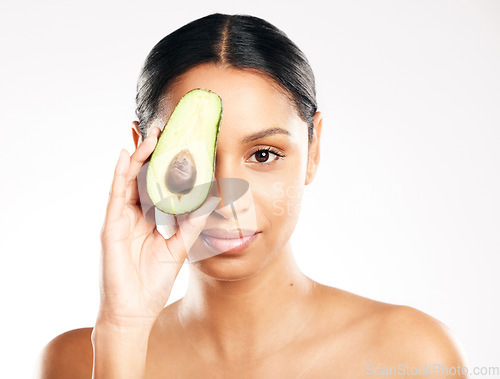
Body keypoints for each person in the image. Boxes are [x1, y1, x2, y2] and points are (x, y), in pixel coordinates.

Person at [37, 13, 467, 378]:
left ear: (313, 150)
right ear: (145, 153)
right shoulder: (75, 362)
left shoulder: (412, 356)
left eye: (263, 154)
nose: (226, 199)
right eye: (192, 157)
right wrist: (122, 332)